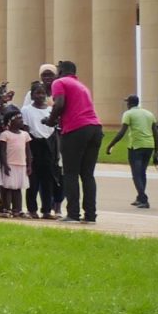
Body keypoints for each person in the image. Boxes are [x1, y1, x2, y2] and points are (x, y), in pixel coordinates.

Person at [49, 58, 102, 222]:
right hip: (95, 128)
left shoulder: (59, 82)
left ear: (61, 71)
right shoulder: (82, 86)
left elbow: (59, 104)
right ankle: (90, 214)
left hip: (76, 130)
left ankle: (73, 214)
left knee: (70, 173)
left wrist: (51, 120)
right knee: (87, 174)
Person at [103, 94, 158, 209]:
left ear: (129, 104)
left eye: (127, 103)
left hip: (136, 147)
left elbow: (122, 132)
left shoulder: (128, 114)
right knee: (142, 173)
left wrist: (111, 145)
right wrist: (156, 150)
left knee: (136, 174)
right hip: (149, 146)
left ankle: (144, 199)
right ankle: (139, 198)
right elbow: (156, 133)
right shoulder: (149, 114)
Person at [16, 79, 58, 218]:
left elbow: (54, 129)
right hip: (33, 144)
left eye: (43, 93)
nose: (40, 96)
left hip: (48, 145)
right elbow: (25, 128)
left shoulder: (51, 110)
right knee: (33, 180)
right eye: (37, 93)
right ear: (32, 95)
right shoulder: (26, 110)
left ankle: (46, 210)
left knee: (48, 179)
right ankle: (32, 209)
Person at [0, 110, 31, 217]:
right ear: (10, 121)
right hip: (9, 164)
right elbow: (2, 151)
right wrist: (5, 164)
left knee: (18, 188)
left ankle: (18, 209)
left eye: (21, 119)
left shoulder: (25, 135)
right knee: (8, 188)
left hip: (21, 165)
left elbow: (28, 151)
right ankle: (7, 208)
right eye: (18, 119)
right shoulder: (5, 134)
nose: (21, 121)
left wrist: (29, 165)